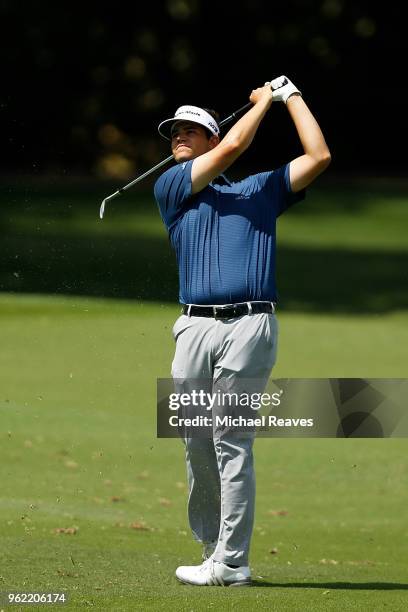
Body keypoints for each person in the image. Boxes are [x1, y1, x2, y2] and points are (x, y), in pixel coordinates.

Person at [153, 76, 331, 586]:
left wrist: (291, 96)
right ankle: (212, 549)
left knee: (231, 437)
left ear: (209, 139)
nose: (180, 138)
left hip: (251, 324)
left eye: (191, 131)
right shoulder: (172, 187)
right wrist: (261, 102)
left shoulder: (259, 189)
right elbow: (235, 144)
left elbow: (318, 156)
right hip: (193, 327)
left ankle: (232, 561)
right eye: (175, 133)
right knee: (193, 437)